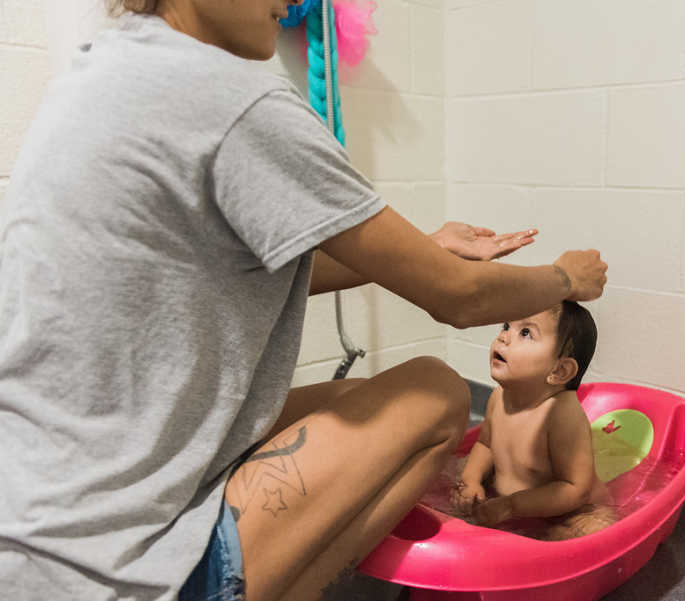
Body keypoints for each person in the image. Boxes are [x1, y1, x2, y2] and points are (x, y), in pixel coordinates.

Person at [0, 2, 608, 601]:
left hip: (29, 522)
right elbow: (460, 297)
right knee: (437, 389)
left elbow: (224, 277)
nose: (295, 2)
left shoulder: (101, 72)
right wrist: (564, 278)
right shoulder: (232, 97)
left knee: (352, 398)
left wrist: (420, 249)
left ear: (562, 371)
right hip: (102, 567)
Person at [450, 302, 618, 540]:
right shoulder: (499, 396)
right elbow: (486, 444)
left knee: (596, 531)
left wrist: (512, 506)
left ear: (559, 371)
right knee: (457, 469)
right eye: (507, 326)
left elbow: (575, 489)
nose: (503, 337)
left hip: (569, 511)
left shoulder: (562, 414)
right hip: (509, 503)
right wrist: (471, 480)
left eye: (525, 333)